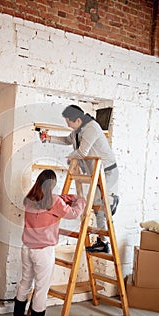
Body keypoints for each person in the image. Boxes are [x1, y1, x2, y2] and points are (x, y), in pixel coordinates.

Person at [10, 169, 86, 316]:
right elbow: (73, 214)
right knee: (41, 290)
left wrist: (66, 197)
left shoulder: (30, 199)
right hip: (43, 252)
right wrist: (80, 199)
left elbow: (55, 200)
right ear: (52, 184)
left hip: (27, 248)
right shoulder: (54, 201)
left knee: (25, 282)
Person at [40, 104, 119, 253]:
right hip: (97, 171)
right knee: (98, 209)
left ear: (77, 119)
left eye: (68, 121)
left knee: (98, 205)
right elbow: (66, 141)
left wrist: (71, 159)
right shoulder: (77, 130)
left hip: (107, 171)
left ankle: (111, 200)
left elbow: (82, 152)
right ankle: (103, 242)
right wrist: (49, 138)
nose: (67, 124)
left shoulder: (91, 128)